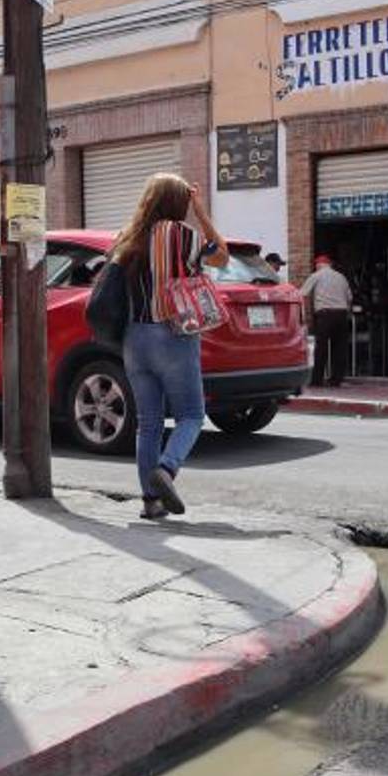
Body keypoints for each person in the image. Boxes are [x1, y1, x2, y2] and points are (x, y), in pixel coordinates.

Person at [110, 173, 229, 520]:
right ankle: (167, 468)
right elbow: (222, 257)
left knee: (148, 423)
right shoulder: (184, 236)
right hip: (173, 335)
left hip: (134, 339)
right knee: (192, 415)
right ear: (179, 204)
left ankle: (151, 502)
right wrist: (202, 212)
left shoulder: (127, 237)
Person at [301, 254, 352, 387]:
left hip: (325, 315)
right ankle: (336, 379)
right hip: (341, 314)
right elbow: (349, 298)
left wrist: (304, 315)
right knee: (339, 348)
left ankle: (317, 380)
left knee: (321, 348)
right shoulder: (341, 277)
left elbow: (302, 294)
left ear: (318, 265)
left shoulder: (316, 275)